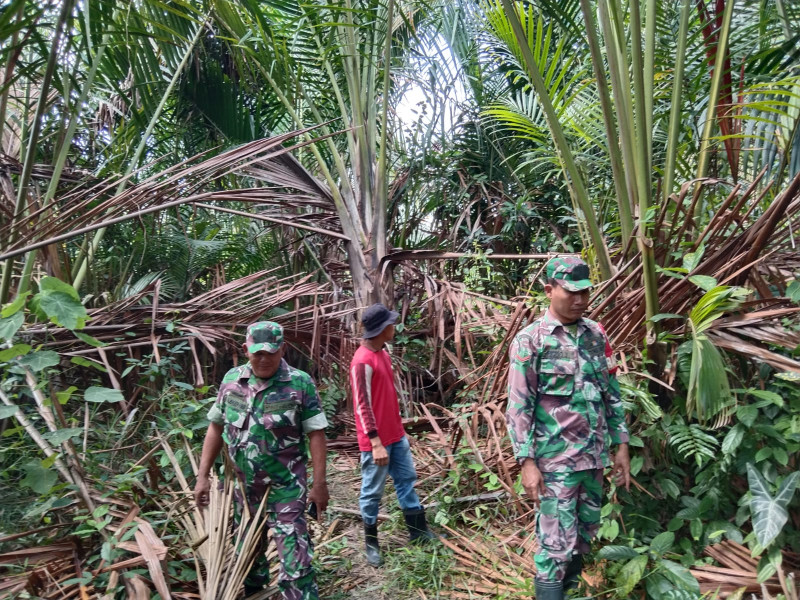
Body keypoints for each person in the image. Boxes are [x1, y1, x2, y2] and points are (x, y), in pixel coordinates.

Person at [505, 257, 630, 600]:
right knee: (554, 546)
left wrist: (621, 446)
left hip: (592, 460)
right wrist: (527, 463)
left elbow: (611, 392)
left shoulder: (595, 333)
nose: (580, 300)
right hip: (555, 464)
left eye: (585, 292)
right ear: (549, 290)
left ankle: (570, 592)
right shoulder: (531, 341)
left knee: (584, 537)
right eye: (571, 292)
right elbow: (518, 406)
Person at [194, 321, 329, 600]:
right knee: (249, 560)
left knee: (295, 562)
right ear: (246, 350)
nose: (264, 359)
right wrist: (203, 476)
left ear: (282, 349)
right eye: (257, 353)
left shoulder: (299, 383)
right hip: (242, 490)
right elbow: (216, 427)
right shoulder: (232, 381)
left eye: (271, 352)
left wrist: (319, 484)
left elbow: (316, 433)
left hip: (286, 487)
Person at [349, 303, 435, 566]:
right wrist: (375, 442)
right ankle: (371, 543)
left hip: (395, 435)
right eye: (391, 324)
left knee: (406, 479)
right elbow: (361, 406)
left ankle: (418, 532)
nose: (394, 327)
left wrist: (397, 432)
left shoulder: (382, 353)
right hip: (376, 441)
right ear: (381, 329)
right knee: (372, 491)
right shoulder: (361, 361)